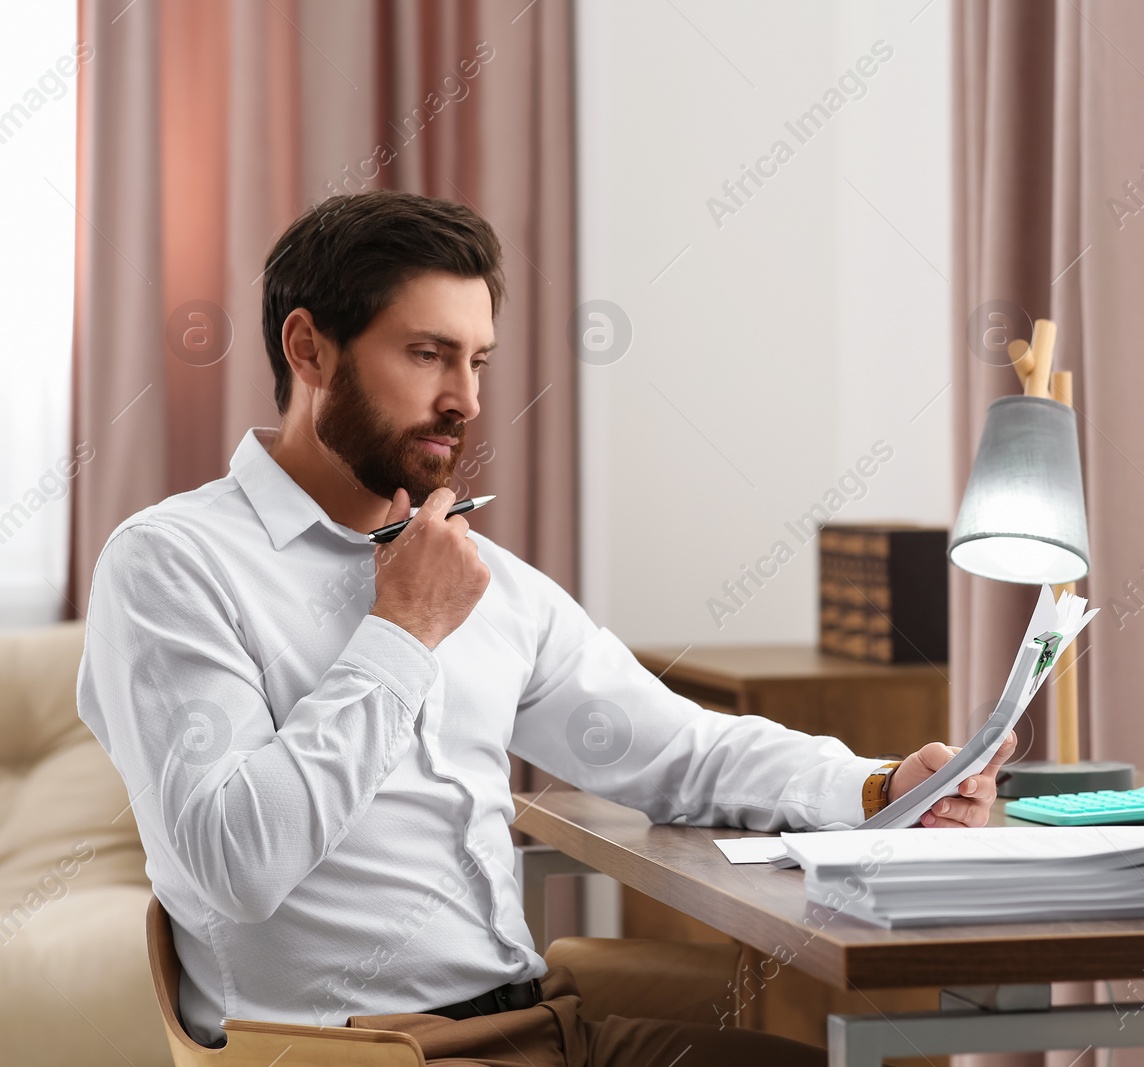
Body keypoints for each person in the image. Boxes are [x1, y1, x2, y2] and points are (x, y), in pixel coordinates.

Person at [76, 190, 1015, 1067]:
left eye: (477, 360)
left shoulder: (486, 581)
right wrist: (403, 630)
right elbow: (235, 863)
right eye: (427, 354)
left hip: (538, 1026)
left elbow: (680, 752)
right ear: (309, 349)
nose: (467, 399)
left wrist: (879, 782)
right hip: (353, 1054)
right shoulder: (171, 565)